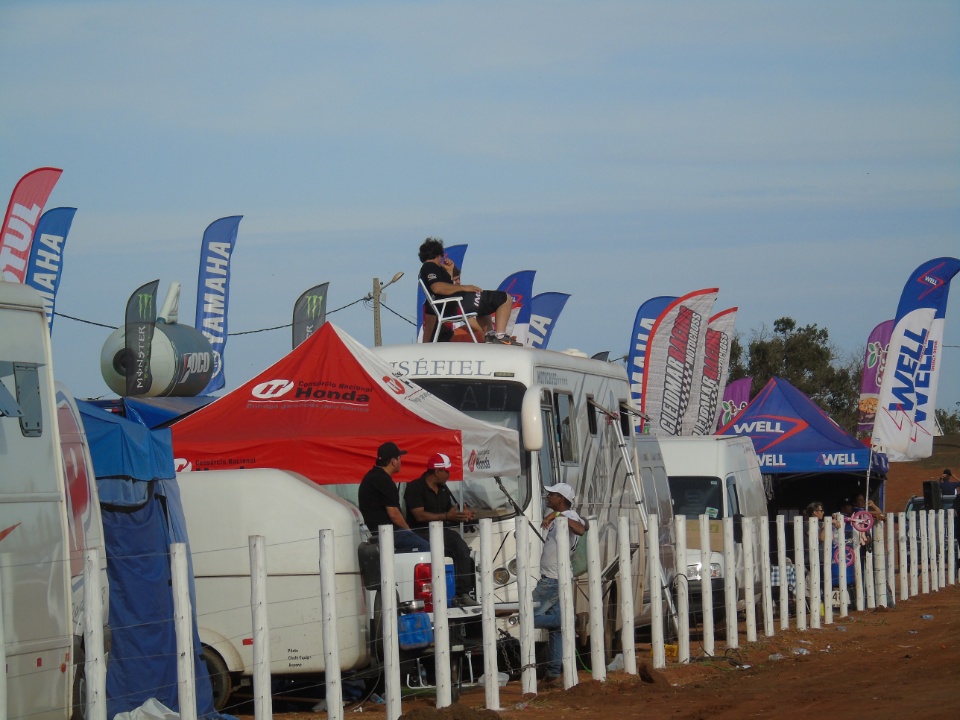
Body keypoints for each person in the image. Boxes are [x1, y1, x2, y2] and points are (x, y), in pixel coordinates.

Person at [404, 452, 480, 607]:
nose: (448, 474)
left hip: (441, 531)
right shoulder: (414, 488)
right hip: (421, 532)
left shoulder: (443, 489)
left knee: (463, 550)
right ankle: (461, 594)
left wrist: (462, 515)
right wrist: (447, 515)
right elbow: (419, 516)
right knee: (458, 546)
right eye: (446, 471)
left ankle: (463, 593)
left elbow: (448, 514)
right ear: (437, 471)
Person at [418, 237, 521, 346]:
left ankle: (490, 335)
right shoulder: (430, 266)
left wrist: (450, 271)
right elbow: (437, 287)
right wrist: (465, 288)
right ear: (438, 254)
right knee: (504, 298)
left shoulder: (431, 269)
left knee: (484, 307)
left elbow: (446, 287)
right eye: (441, 256)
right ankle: (501, 336)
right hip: (459, 303)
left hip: (455, 304)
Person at [532, 482, 586, 686]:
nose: (547, 497)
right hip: (552, 578)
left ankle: (571, 619)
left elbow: (580, 529)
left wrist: (556, 516)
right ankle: (553, 672)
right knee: (556, 630)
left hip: (553, 580)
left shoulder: (568, 516)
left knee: (527, 617)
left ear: (561, 499)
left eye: (551, 495)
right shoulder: (562, 516)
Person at [357, 442, 430, 553]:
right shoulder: (384, 480)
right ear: (393, 461)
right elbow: (393, 513)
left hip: (377, 533)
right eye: (399, 458)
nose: (401, 461)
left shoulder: (371, 476)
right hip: (388, 533)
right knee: (426, 547)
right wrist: (409, 530)